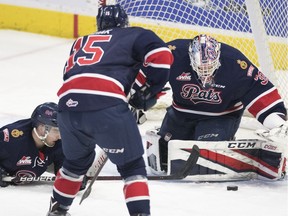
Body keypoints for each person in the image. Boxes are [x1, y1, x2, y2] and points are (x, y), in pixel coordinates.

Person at [46, 4, 173, 216]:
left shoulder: (80, 42)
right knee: (132, 167)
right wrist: (150, 91)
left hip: (67, 107)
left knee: (74, 164)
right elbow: (162, 56)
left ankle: (57, 211)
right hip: (106, 106)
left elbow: (74, 77)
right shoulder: (135, 34)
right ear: (124, 22)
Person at [155, 34, 287, 172]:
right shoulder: (173, 54)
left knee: (206, 156)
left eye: (210, 67)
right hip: (181, 113)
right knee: (164, 152)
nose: (205, 73)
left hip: (220, 117)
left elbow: (260, 91)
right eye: (200, 68)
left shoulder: (235, 63)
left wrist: (277, 122)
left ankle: (223, 137)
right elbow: (145, 71)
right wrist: (138, 96)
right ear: (190, 58)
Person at [0, 102, 63, 187]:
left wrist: (74, 177)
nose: (60, 136)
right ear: (42, 128)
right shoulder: (11, 139)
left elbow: (67, 168)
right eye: (56, 130)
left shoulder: (60, 143)